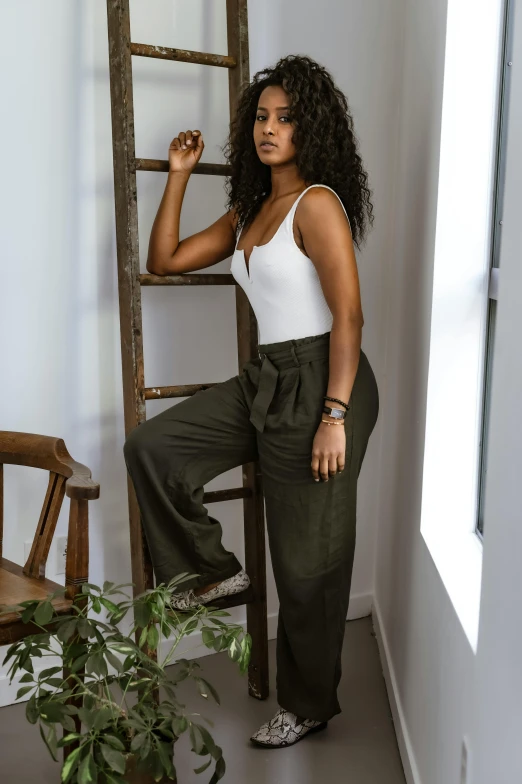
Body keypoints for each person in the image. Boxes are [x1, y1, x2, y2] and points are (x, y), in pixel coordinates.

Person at [123, 53, 379, 749]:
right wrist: (177, 179)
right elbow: (166, 259)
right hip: (266, 377)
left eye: (285, 118)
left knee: (306, 564)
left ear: (311, 128)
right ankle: (215, 571)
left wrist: (335, 416)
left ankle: (309, 703)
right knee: (152, 447)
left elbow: (349, 316)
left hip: (325, 378)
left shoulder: (317, 203)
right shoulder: (249, 212)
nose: (270, 129)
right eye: (261, 117)